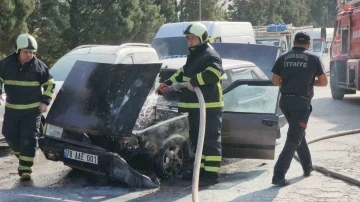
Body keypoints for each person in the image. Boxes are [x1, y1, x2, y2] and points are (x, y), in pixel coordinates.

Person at [156, 22, 224, 186]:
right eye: (188, 38)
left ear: (202, 38)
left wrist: (195, 81)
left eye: (192, 38)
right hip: (195, 107)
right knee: (196, 139)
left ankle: (212, 174)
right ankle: (198, 171)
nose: (189, 41)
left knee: (210, 140)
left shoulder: (210, 54)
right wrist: (167, 83)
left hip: (209, 106)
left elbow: (215, 72)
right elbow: (183, 73)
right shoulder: (194, 55)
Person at [271, 32, 328, 186]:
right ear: (308, 44)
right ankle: (278, 175)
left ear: (294, 43)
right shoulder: (314, 58)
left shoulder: (283, 57)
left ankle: (307, 166)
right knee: (293, 138)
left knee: (298, 134)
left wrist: (289, 83)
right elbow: (323, 83)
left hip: (285, 102)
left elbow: (275, 81)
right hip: (301, 103)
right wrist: (309, 83)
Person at [0, 34, 55, 181]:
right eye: (26, 52)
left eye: (32, 52)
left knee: (29, 139)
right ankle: (25, 157)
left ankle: (26, 170)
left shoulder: (39, 66)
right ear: (18, 50)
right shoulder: (6, 64)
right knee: (9, 134)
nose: (29, 55)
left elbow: (49, 84)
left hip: (32, 112)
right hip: (12, 110)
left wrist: (45, 102)